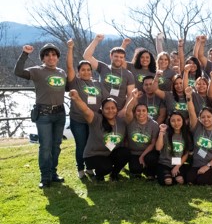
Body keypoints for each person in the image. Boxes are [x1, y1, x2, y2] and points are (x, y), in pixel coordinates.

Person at [15, 42, 67, 188]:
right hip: (43, 115)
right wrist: (25, 54)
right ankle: (45, 177)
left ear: (57, 57)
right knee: (45, 146)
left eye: (53, 55)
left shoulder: (62, 72)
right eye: (47, 55)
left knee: (56, 146)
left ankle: (53, 173)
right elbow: (18, 72)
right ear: (43, 58)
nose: (51, 57)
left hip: (60, 114)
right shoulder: (37, 71)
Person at [67, 39, 109, 179]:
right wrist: (70, 48)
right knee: (81, 144)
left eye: (88, 69)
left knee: (92, 145)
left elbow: (106, 100)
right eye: (83, 70)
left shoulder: (97, 83)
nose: (86, 72)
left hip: (94, 120)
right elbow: (69, 68)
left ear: (91, 71)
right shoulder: (76, 82)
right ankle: (80, 169)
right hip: (78, 120)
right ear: (78, 72)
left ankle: (90, 168)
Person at [69, 91, 130, 181]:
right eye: (107, 108)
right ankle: (99, 174)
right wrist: (77, 98)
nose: (110, 110)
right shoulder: (96, 119)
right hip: (93, 155)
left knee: (125, 152)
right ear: (102, 110)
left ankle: (114, 174)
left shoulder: (120, 121)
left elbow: (129, 111)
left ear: (117, 109)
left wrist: (133, 97)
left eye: (113, 108)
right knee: (106, 167)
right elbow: (85, 110)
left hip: (108, 154)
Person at [185, 87, 212, 185]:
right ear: (199, 119)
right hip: (198, 163)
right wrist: (189, 97)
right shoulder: (197, 127)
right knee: (189, 179)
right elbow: (191, 112)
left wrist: (208, 166)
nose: (206, 119)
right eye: (203, 117)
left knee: (202, 181)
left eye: (209, 117)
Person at [83, 34, 134, 117]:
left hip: (119, 112)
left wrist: (124, 110)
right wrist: (96, 41)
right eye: (116, 56)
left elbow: (130, 95)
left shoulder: (128, 74)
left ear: (124, 59)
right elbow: (87, 56)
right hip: (101, 110)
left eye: (121, 57)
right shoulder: (103, 68)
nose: (118, 59)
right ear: (111, 56)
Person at [125, 90, 160, 180]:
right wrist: (133, 98)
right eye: (138, 111)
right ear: (135, 112)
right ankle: (141, 168)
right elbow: (128, 111)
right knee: (135, 170)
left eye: (144, 110)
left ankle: (150, 170)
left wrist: (142, 156)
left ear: (147, 112)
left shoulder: (154, 124)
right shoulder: (131, 121)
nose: (141, 113)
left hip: (147, 152)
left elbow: (153, 143)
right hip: (133, 153)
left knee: (151, 159)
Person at [156, 112, 192, 186]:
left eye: (179, 120)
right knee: (168, 181)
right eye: (173, 121)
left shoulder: (186, 135)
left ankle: (173, 174)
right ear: (169, 122)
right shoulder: (165, 133)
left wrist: (177, 167)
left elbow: (185, 154)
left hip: (177, 163)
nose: (176, 123)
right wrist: (161, 132)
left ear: (183, 121)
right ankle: (166, 175)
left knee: (180, 180)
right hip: (165, 163)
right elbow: (158, 148)